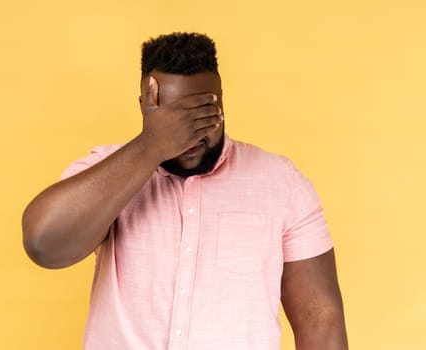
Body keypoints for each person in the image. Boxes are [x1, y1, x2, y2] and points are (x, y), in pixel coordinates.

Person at [22, 32, 348, 350]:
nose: (189, 137)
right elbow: (44, 245)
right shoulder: (107, 168)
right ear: (144, 106)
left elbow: (320, 317)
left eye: (202, 116)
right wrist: (152, 145)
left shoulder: (282, 182)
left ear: (220, 102)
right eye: (173, 119)